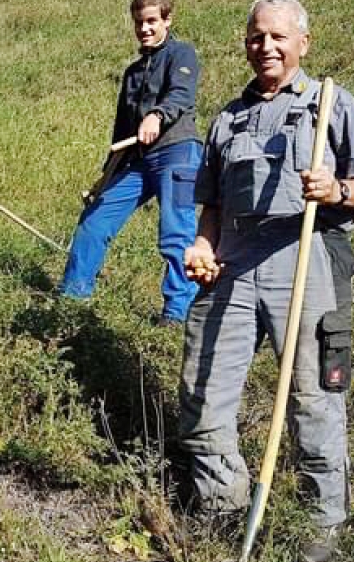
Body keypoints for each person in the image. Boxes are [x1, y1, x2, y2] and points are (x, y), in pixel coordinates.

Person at [176, 0, 354, 562]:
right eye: (255, 35)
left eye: (277, 36)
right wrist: (202, 245)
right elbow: (211, 207)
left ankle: (320, 526)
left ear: (303, 43)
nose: (265, 45)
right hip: (234, 263)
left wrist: (339, 190)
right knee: (202, 394)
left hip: (307, 256)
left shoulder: (330, 103)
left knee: (314, 402)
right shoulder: (227, 118)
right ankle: (224, 509)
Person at [59, 0, 202, 326]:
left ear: (167, 19)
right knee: (93, 221)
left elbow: (181, 95)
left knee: (176, 232)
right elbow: (122, 129)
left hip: (177, 151)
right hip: (136, 160)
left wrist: (157, 114)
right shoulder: (133, 72)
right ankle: (71, 300)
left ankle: (177, 314)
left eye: (152, 21)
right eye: (139, 22)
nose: (145, 29)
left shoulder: (182, 55)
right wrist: (106, 175)